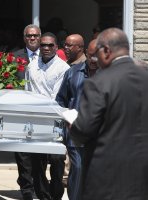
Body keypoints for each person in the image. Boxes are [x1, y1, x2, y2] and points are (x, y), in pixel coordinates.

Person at [69, 27, 148, 199]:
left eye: (96, 53)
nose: (95, 59)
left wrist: (72, 127)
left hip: (108, 176)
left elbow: (83, 130)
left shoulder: (100, 82)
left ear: (106, 50)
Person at [26, 32, 70, 200]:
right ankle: (43, 195)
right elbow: (28, 92)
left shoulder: (63, 68)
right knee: (37, 162)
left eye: (50, 45)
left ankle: (56, 193)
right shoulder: (31, 65)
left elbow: (57, 98)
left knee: (57, 159)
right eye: (43, 45)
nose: (45, 48)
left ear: (56, 47)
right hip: (35, 120)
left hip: (55, 121)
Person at [55, 39, 99, 200]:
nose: (94, 60)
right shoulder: (73, 72)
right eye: (91, 55)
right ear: (86, 52)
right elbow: (60, 100)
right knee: (78, 168)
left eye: (97, 56)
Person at [12, 24, 41, 200]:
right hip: (21, 111)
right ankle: (27, 189)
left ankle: (38, 185)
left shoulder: (47, 57)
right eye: (29, 36)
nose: (32, 38)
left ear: (40, 37)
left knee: (39, 154)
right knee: (22, 154)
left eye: (35, 36)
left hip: (40, 112)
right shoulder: (15, 57)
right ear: (24, 38)